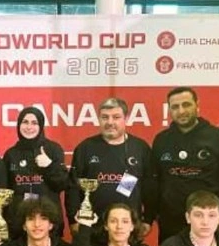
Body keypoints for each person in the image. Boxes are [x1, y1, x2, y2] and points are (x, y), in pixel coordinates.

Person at [151, 87, 219, 243]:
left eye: (186, 104)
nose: (181, 111)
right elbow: (154, 180)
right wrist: (153, 214)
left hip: (208, 221)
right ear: (169, 110)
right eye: (175, 107)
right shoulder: (161, 140)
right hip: (170, 223)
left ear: (197, 105)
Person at [66, 97, 155, 237]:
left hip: (127, 228)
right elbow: (73, 188)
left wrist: (148, 219)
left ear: (126, 119)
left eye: (116, 117)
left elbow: (150, 187)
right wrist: (73, 220)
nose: (110, 122)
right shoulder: (85, 148)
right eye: (105, 117)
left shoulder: (140, 148)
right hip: (91, 226)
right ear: (99, 119)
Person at [4, 106, 70, 238]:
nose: (29, 127)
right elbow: (6, 191)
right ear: (19, 125)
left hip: (49, 223)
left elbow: (63, 184)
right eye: (25, 122)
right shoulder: (11, 154)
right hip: (19, 226)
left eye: (34, 123)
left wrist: (49, 166)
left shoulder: (53, 149)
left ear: (41, 126)